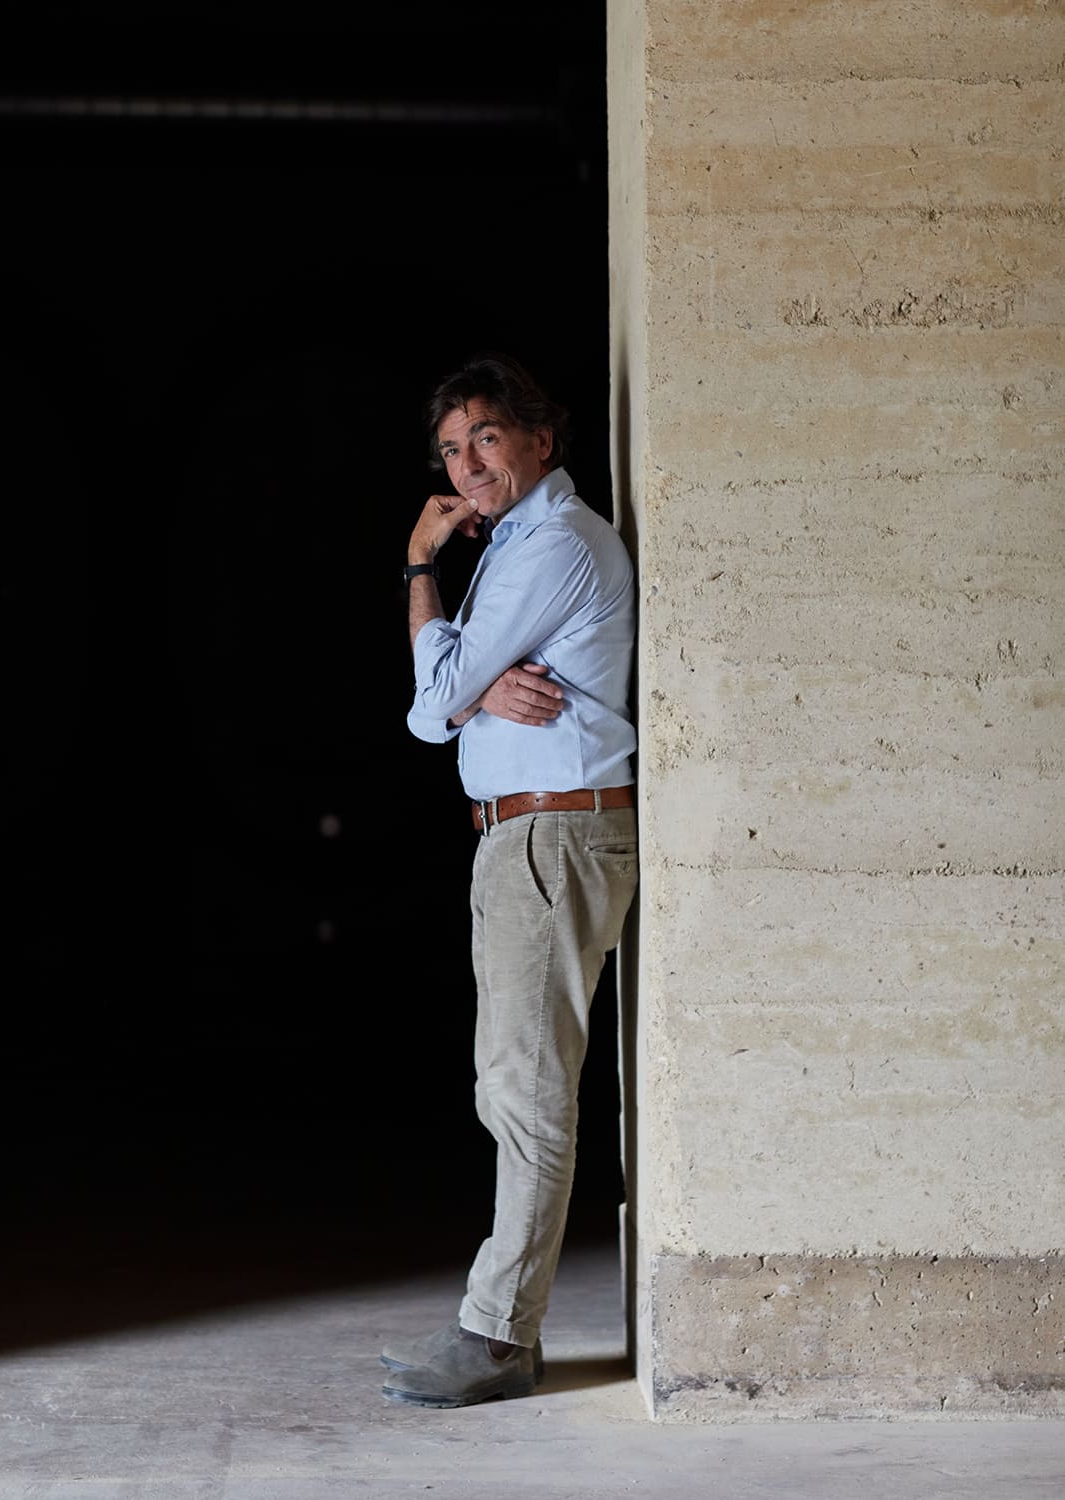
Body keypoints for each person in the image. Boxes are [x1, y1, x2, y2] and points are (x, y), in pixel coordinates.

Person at [382, 352, 639, 1408]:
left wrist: (415, 569)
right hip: (524, 837)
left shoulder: (556, 546)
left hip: (550, 837)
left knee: (529, 1091)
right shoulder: (526, 547)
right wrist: (473, 698)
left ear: (540, 437)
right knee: (509, 1086)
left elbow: (433, 697)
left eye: (485, 436)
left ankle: (498, 1337)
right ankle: (501, 1329)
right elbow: (443, 706)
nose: (467, 461)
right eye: (450, 448)